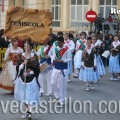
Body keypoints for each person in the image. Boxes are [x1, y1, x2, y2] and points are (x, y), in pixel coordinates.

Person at [14, 40, 40, 118]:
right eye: (24, 46)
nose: (25, 47)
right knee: (24, 96)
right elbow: (18, 67)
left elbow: (36, 68)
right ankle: (27, 111)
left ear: (30, 47)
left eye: (27, 46)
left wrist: (29, 73)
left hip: (31, 79)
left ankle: (29, 112)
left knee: (30, 96)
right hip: (22, 80)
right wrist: (23, 63)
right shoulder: (22, 56)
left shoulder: (33, 56)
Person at [51, 36, 72, 105]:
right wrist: (52, 61)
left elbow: (70, 59)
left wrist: (63, 60)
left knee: (62, 85)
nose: (59, 44)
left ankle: (62, 99)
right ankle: (57, 96)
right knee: (53, 82)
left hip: (63, 68)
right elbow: (53, 57)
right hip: (56, 68)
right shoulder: (56, 49)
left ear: (63, 42)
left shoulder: (67, 49)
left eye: (60, 43)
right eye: (58, 43)